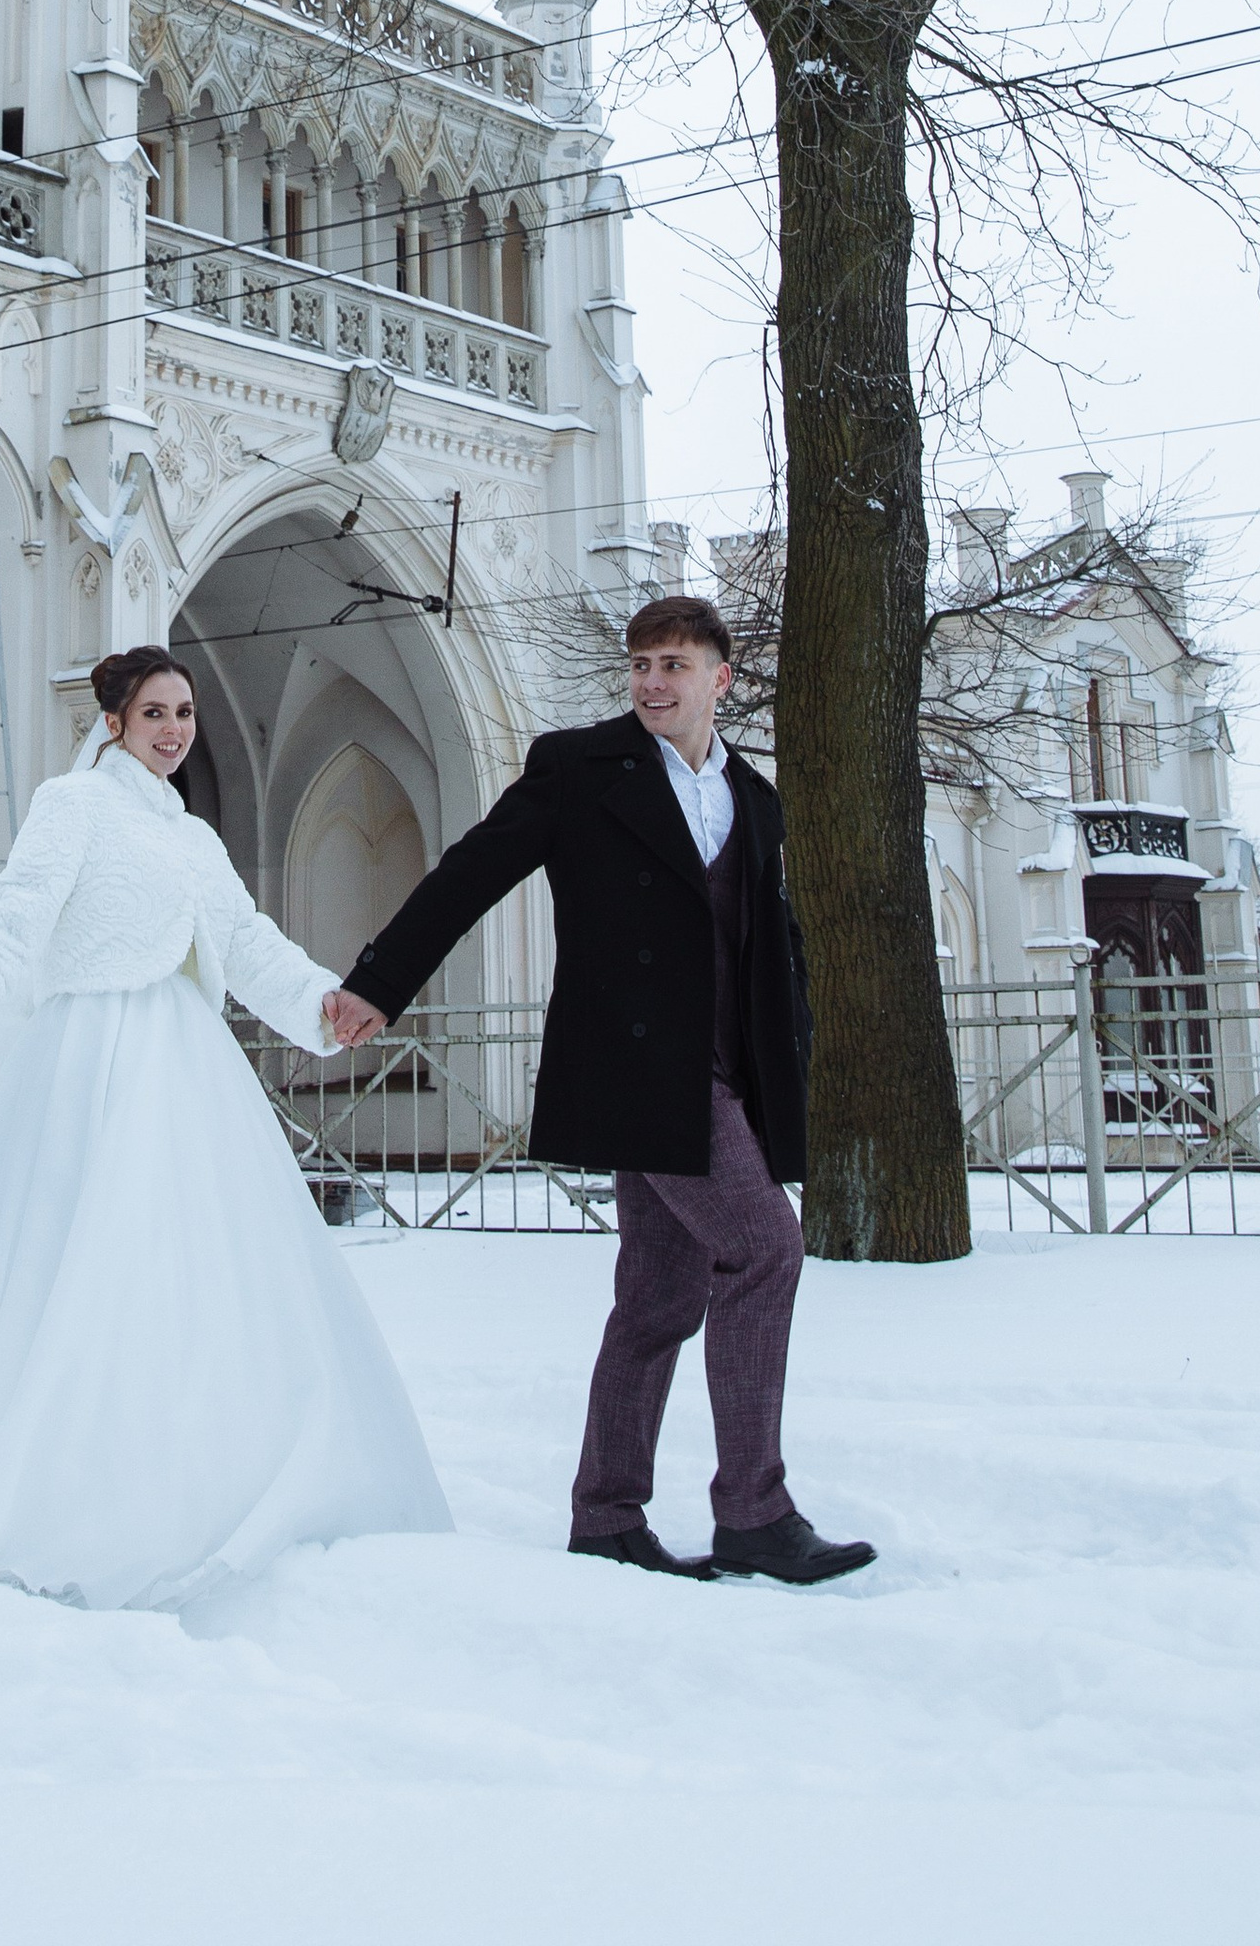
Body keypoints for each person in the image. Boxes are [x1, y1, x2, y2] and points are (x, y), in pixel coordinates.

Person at [0, 647, 449, 1604]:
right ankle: (52, 1486)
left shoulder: (195, 839)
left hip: (185, 1064)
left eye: (185, 714)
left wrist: (322, 1005)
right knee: (72, 1261)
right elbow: (19, 917)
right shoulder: (72, 805)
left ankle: (190, 1469)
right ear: (114, 721)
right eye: (156, 713)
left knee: (186, 1267)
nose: (174, 730)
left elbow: (246, 941)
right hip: (86, 1061)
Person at [328, 594, 874, 1585]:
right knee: (766, 1251)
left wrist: (791, 1050)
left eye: (674, 665)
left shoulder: (753, 799)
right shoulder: (580, 769)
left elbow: (773, 945)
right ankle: (753, 1512)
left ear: (720, 678)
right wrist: (380, 981)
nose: (652, 684)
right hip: (637, 1070)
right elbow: (469, 874)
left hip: (729, 1071)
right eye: (641, 665)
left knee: (660, 1296)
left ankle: (607, 1516)